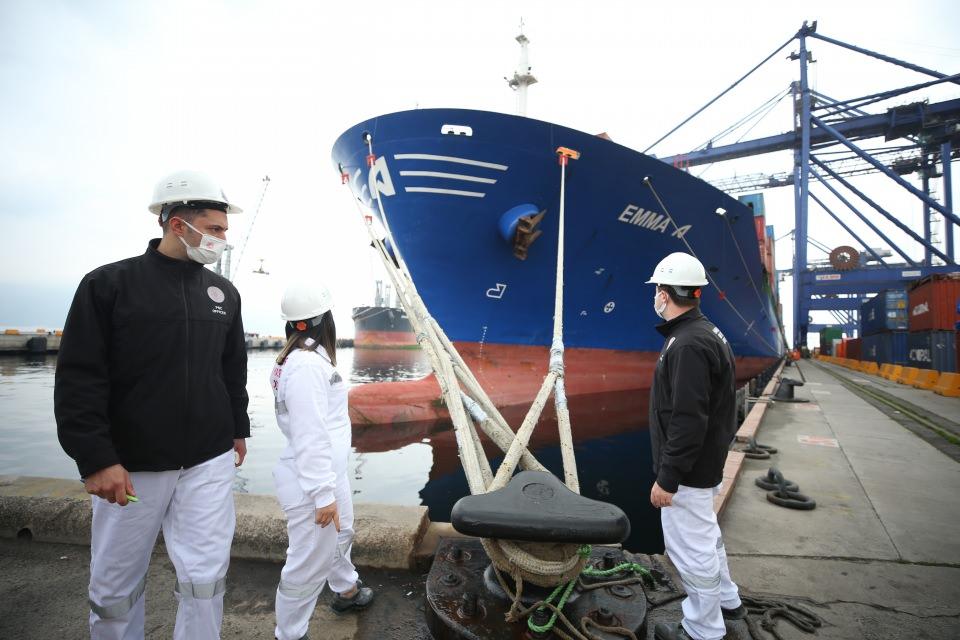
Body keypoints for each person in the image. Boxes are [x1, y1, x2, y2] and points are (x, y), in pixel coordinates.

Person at [55, 169, 250, 639]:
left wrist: (236, 429)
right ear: (178, 224)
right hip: (133, 465)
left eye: (225, 230)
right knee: (116, 584)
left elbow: (232, 371)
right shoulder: (109, 285)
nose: (223, 239)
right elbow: (80, 378)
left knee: (206, 577)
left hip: (208, 459)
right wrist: (96, 457)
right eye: (216, 229)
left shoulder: (222, 294)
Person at [645, 252, 746, 640]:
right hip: (705, 464)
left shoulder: (687, 344)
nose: (655, 295)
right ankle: (728, 600)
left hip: (689, 472)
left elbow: (688, 419)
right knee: (707, 536)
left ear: (666, 293)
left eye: (657, 288)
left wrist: (667, 479)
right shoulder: (705, 332)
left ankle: (703, 629)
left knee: (690, 549)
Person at [271, 282, 374, 640]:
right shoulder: (306, 367)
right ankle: (290, 633)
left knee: (341, 533)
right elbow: (309, 433)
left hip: (326, 473)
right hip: (311, 479)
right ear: (323, 320)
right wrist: (321, 493)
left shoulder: (305, 359)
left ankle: (346, 590)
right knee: (306, 565)